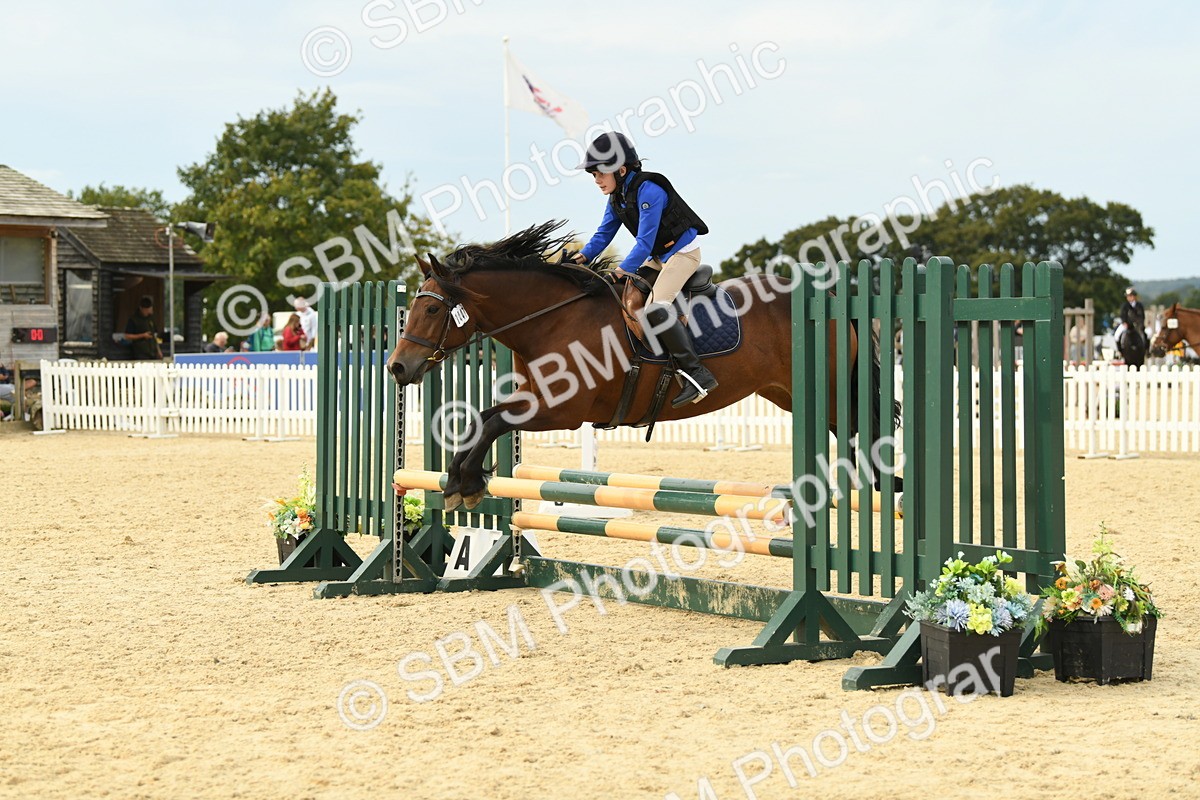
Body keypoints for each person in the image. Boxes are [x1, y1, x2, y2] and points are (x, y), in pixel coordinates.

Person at [570, 132, 714, 407]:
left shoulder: (650, 190)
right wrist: (580, 258)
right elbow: (603, 235)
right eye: (593, 175)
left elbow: (644, 243)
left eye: (600, 173)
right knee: (624, 297)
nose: (597, 180)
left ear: (621, 170)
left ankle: (697, 374)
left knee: (655, 310)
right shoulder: (618, 197)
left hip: (683, 254)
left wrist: (620, 270)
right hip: (659, 257)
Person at [124, 295, 163, 360]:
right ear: (141, 308)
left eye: (148, 310)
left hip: (152, 353)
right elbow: (127, 336)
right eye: (145, 310)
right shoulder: (133, 319)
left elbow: (154, 336)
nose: (147, 312)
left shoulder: (150, 319)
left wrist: (158, 351)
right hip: (140, 354)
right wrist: (143, 335)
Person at [1117, 287, 1146, 352]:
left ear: (1134, 296)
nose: (1130, 297)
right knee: (1117, 335)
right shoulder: (1125, 305)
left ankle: (1146, 350)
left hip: (1138, 325)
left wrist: (1139, 323)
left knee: (1147, 335)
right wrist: (1124, 322)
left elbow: (1142, 316)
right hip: (1127, 324)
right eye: (1128, 296)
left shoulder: (1139, 305)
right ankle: (1120, 351)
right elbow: (1122, 315)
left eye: (1131, 296)